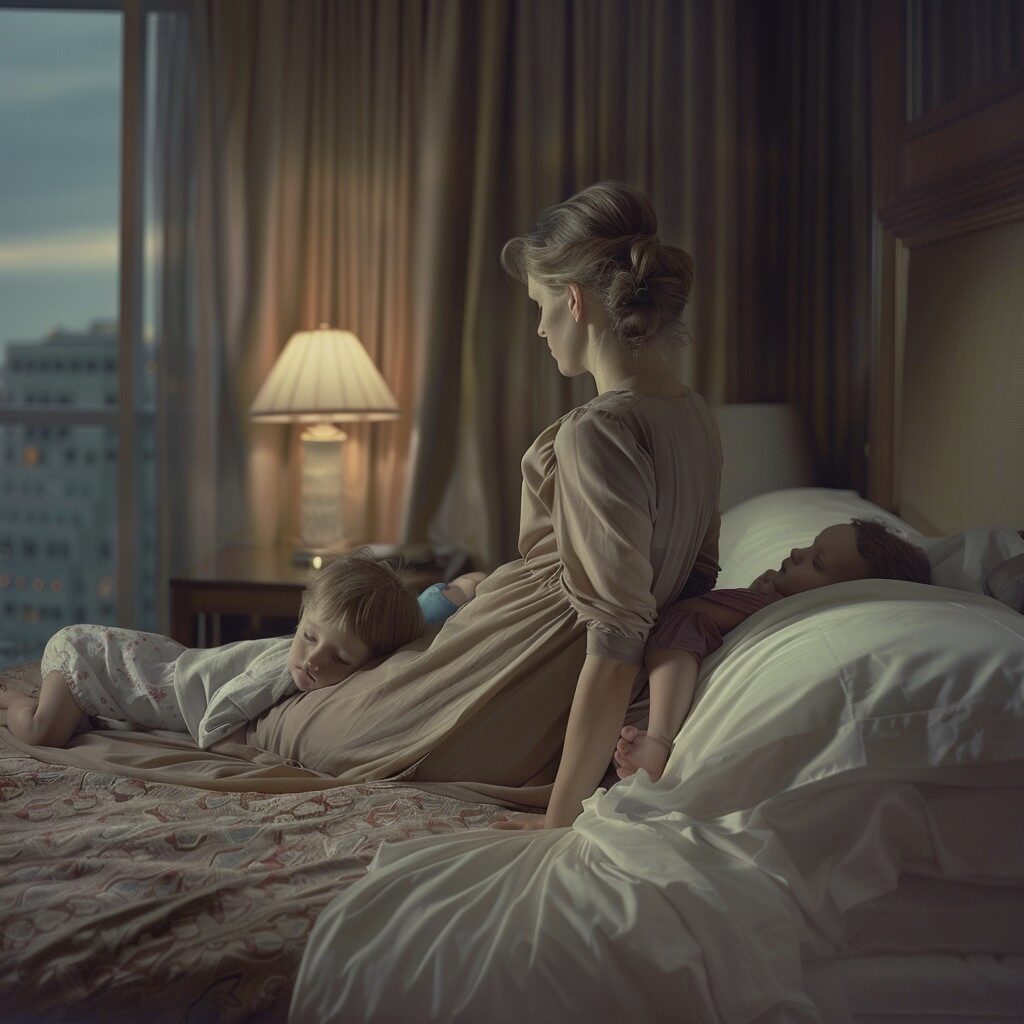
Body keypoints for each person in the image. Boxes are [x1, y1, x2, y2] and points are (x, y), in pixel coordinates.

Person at [0, 548, 486, 750]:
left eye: (339, 659)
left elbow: (426, 613)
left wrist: (465, 590)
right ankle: (16, 701)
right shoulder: (280, 670)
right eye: (308, 637)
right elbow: (214, 722)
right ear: (300, 618)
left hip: (148, 661)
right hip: (96, 661)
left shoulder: (377, 641)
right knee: (42, 732)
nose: (313, 662)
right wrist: (247, 754)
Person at [611, 518, 933, 784]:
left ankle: (659, 740)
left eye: (816, 563)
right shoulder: (770, 600)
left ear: (840, 594)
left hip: (650, 702)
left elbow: (692, 613)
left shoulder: (784, 607)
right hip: (641, 697)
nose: (796, 552)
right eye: (809, 545)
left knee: (686, 620)